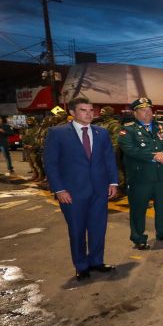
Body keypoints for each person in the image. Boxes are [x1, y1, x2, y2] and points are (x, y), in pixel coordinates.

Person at [43, 97, 118, 281]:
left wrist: (113, 182)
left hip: (99, 191)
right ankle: (81, 265)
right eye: (84, 110)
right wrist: (59, 189)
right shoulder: (57, 133)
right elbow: (51, 163)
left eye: (91, 110)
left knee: (98, 229)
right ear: (72, 113)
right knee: (77, 230)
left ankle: (96, 262)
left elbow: (109, 159)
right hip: (72, 193)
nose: (89, 113)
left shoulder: (102, 133)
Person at [118, 97, 163, 250]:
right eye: (144, 110)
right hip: (140, 177)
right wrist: (154, 156)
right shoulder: (128, 130)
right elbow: (130, 150)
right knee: (138, 208)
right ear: (135, 113)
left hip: (162, 175)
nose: (148, 113)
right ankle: (138, 238)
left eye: (150, 110)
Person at [94, 105, 125, 194]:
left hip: (112, 150)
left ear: (109, 113)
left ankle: (119, 188)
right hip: (102, 151)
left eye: (103, 112)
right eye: (101, 111)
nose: (101, 113)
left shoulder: (114, 124)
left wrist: (112, 152)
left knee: (115, 169)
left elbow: (116, 140)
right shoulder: (101, 123)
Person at [22, 117, 43, 181]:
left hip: (34, 148)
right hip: (27, 148)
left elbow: (37, 139)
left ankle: (41, 176)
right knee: (30, 163)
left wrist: (33, 146)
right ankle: (35, 175)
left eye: (30, 121)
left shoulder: (37, 128)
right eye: (28, 121)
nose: (29, 122)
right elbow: (24, 137)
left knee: (36, 163)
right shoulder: (26, 128)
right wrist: (24, 144)